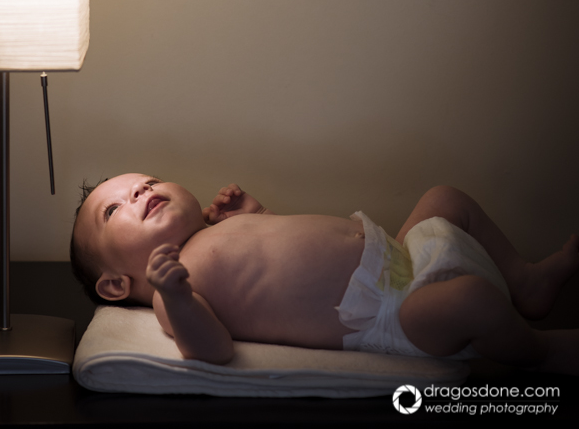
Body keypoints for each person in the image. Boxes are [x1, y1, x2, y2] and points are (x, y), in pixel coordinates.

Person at [70, 175, 579, 372]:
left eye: (147, 182)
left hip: (399, 252)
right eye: (113, 210)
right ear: (115, 284)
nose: (138, 192)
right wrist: (177, 296)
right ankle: (540, 351)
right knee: (472, 301)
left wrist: (257, 214)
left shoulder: (214, 231)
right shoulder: (172, 288)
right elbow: (212, 349)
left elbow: (286, 252)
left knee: (445, 198)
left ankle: (526, 281)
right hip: (389, 312)